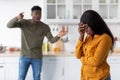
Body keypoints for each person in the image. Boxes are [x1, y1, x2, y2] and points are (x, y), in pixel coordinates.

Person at [7, 6, 67, 80]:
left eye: (40, 14)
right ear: (31, 14)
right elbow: (9, 25)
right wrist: (17, 18)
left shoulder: (44, 27)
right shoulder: (24, 23)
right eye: (36, 13)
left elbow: (51, 40)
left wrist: (59, 35)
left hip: (37, 57)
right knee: (21, 77)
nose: (38, 16)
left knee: (37, 77)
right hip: (24, 56)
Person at [75, 10, 115, 80]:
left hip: (100, 78)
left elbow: (96, 61)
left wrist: (83, 59)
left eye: (87, 27)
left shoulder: (105, 38)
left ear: (94, 24)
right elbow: (78, 55)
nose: (85, 30)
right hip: (85, 77)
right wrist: (81, 36)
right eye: (84, 27)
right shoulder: (88, 36)